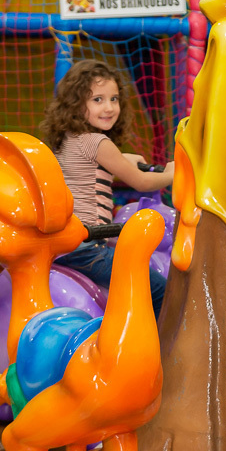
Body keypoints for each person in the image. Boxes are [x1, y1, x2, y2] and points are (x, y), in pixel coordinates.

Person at [40, 59, 174, 319]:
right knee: (160, 289)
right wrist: (172, 173)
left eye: (114, 99)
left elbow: (90, 170)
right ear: (76, 104)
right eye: (98, 100)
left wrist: (124, 160)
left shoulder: (68, 139)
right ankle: (160, 351)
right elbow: (141, 182)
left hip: (64, 246)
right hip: (87, 246)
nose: (109, 107)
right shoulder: (98, 142)